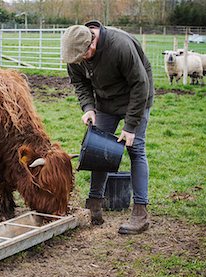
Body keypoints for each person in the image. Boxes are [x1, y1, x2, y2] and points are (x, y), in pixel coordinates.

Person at [61, 20, 154, 235]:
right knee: (97, 147)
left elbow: (141, 85)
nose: (78, 61)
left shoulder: (120, 46)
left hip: (136, 97)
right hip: (105, 102)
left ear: (92, 43)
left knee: (135, 148)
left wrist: (130, 126)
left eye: (82, 56)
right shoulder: (75, 51)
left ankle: (140, 213)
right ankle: (94, 204)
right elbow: (80, 83)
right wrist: (88, 107)